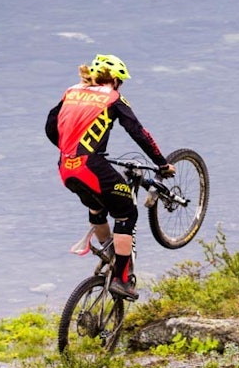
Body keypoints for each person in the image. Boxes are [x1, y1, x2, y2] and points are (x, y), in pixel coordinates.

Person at [45, 54, 171, 300]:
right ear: (114, 80)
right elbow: (139, 132)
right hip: (92, 167)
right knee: (127, 213)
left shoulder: (71, 92)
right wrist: (161, 163)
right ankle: (121, 279)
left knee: (97, 206)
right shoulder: (113, 98)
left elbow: (51, 126)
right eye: (120, 81)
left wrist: (70, 149)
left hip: (66, 168)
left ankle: (109, 252)